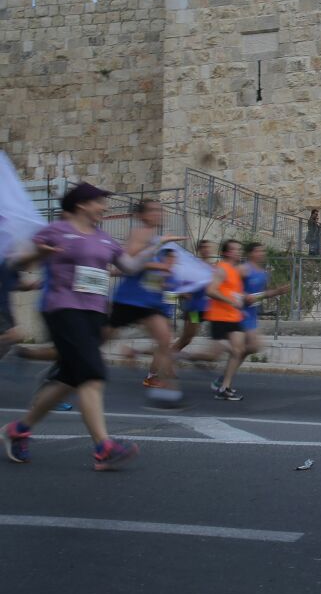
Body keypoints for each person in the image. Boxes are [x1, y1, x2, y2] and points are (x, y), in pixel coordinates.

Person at [3, 182, 151, 469]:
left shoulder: (105, 239)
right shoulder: (55, 230)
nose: (105, 208)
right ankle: (103, 447)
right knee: (91, 374)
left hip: (94, 312)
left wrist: (155, 245)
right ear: (82, 204)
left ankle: (18, 429)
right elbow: (17, 260)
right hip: (62, 308)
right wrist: (39, 255)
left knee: (69, 379)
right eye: (100, 202)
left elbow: (130, 267)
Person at [105, 200, 186, 404]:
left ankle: (167, 392)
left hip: (150, 301)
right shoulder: (140, 232)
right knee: (100, 338)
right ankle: (65, 368)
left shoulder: (158, 238)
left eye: (160, 209)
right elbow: (131, 259)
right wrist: (159, 267)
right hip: (130, 298)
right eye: (153, 210)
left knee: (165, 339)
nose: (159, 213)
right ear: (142, 215)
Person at [205, 239, 248, 400]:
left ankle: (225, 387)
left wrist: (242, 300)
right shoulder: (221, 269)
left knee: (239, 351)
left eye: (239, 249)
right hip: (220, 316)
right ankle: (185, 356)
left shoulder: (234, 270)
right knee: (215, 354)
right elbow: (210, 290)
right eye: (235, 250)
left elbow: (233, 292)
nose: (239, 252)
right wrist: (231, 301)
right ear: (227, 252)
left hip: (233, 316)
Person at [239, 243, 290, 368]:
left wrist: (278, 291)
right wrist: (244, 296)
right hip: (238, 313)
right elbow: (232, 288)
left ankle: (225, 376)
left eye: (263, 251)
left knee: (252, 347)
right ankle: (188, 354)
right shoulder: (243, 269)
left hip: (251, 314)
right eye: (258, 251)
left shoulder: (263, 273)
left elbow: (262, 294)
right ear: (250, 253)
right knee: (192, 324)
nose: (262, 253)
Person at [173, 239, 218, 360]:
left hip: (207, 308)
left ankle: (169, 357)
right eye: (203, 247)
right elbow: (181, 283)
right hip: (195, 308)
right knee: (187, 337)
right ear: (199, 250)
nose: (206, 250)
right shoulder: (194, 266)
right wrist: (184, 293)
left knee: (189, 337)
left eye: (208, 247)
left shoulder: (213, 268)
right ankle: (167, 357)